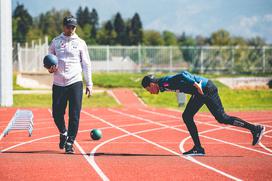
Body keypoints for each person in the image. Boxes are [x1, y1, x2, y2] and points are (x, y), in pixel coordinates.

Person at [141, 71, 265, 156]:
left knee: (222, 118)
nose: (150, 92)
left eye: (148, 90)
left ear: (152, 84)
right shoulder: (163, 86)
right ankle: (198, 148)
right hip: (198, 93)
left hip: (206, 89)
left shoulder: (165, 82)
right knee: (187, 116)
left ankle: (255, 129)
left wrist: (195, 85)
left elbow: (183, 74)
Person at [46, 15, 93, 154]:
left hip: (75, 82)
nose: (71, 29)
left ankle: (70, 142)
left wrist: (89, 83)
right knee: (56, 114)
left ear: (76, 27)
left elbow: (86, 64)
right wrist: (50, 69)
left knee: (75, 115)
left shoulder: (80, 43)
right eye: (68, 26)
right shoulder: (55, 42)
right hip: (59, 82)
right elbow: (49, 61)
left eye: (73, 27)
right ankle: (63, 132)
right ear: (63, 26)